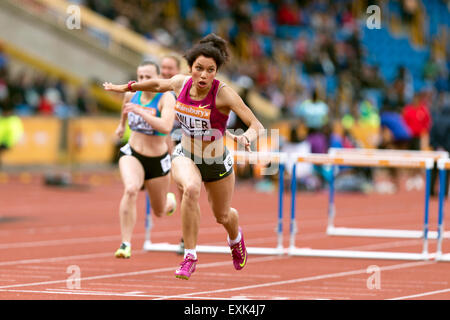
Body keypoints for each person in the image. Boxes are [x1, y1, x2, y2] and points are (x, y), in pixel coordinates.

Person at [104, 33, 264, 280]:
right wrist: (125, 88)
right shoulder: (180, 83)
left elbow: (257, 125)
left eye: (210, 70)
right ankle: (190, 255)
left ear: (216, 72)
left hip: (215, 158)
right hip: (186, 152)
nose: (203, 75)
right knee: (190, 189)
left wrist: (247, 137)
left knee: (223, 215)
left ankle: (235, 238)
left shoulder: (224, 94)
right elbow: (157, 85)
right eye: (198, 68)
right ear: (190, 68)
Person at [113, 60, 177, 259]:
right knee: (131, 188)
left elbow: (166, 127)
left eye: (148, 77)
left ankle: (169, 202)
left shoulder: (166, 98)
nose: (143, 81)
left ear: (158, 78)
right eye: (140, 77)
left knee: (159, 211)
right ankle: (125, 243)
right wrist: (121, 126)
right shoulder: (132, 93)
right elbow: (125, 108)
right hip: (133, 152)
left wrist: (141, 111)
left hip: (157, 159)